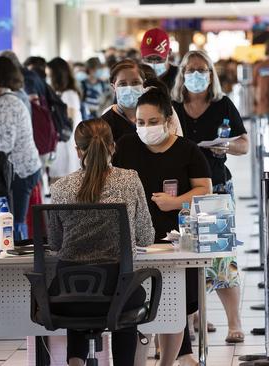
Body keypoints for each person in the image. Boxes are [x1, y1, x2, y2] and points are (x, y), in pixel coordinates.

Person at [113, 84, 212, 366]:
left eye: (153, 122)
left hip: (176, 243)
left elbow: (205, 189)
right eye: (141, 122)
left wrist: (177, 201)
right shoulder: (126, 146)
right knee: (136, 310)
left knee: (175, 308)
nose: (146, 128)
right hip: (136, 242)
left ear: (169, 121)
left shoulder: (187, 151)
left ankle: (168, 362)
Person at [49, 118, 154, 366]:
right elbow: (146, 236)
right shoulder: (130, 180)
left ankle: (75, 360)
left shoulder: (60, 187)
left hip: (69, 294)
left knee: (78, 291)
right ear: (113, 147)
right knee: (122, 304)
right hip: (118, 292)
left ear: (77, 150)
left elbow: (55, 243)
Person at [171, 49, 249, 344]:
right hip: (181, 192)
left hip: (215, 186)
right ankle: (193, 317)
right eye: (190, 70)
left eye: (201, 70)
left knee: (220, 257)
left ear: (211, 74)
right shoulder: (173, 107)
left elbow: (244, 144)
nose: (196, 75)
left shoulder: (222, 105)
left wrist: (225, 147)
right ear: (182, 75)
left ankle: (234, 322)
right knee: (185, 257)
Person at [0, 56, 42, 240]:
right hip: (21, 168)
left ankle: (20, 258)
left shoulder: (6, 103)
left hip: (20, 171)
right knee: (15, 219)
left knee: (16, 221)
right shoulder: (8, 99)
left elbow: (4, 145)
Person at [46, 57, 83, 179]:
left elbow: (68, 122)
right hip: (61, 143)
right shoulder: (59, 93)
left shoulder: (69, 94)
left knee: (64, 179)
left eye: (50, 75)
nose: (48, 78)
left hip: (67, 144)